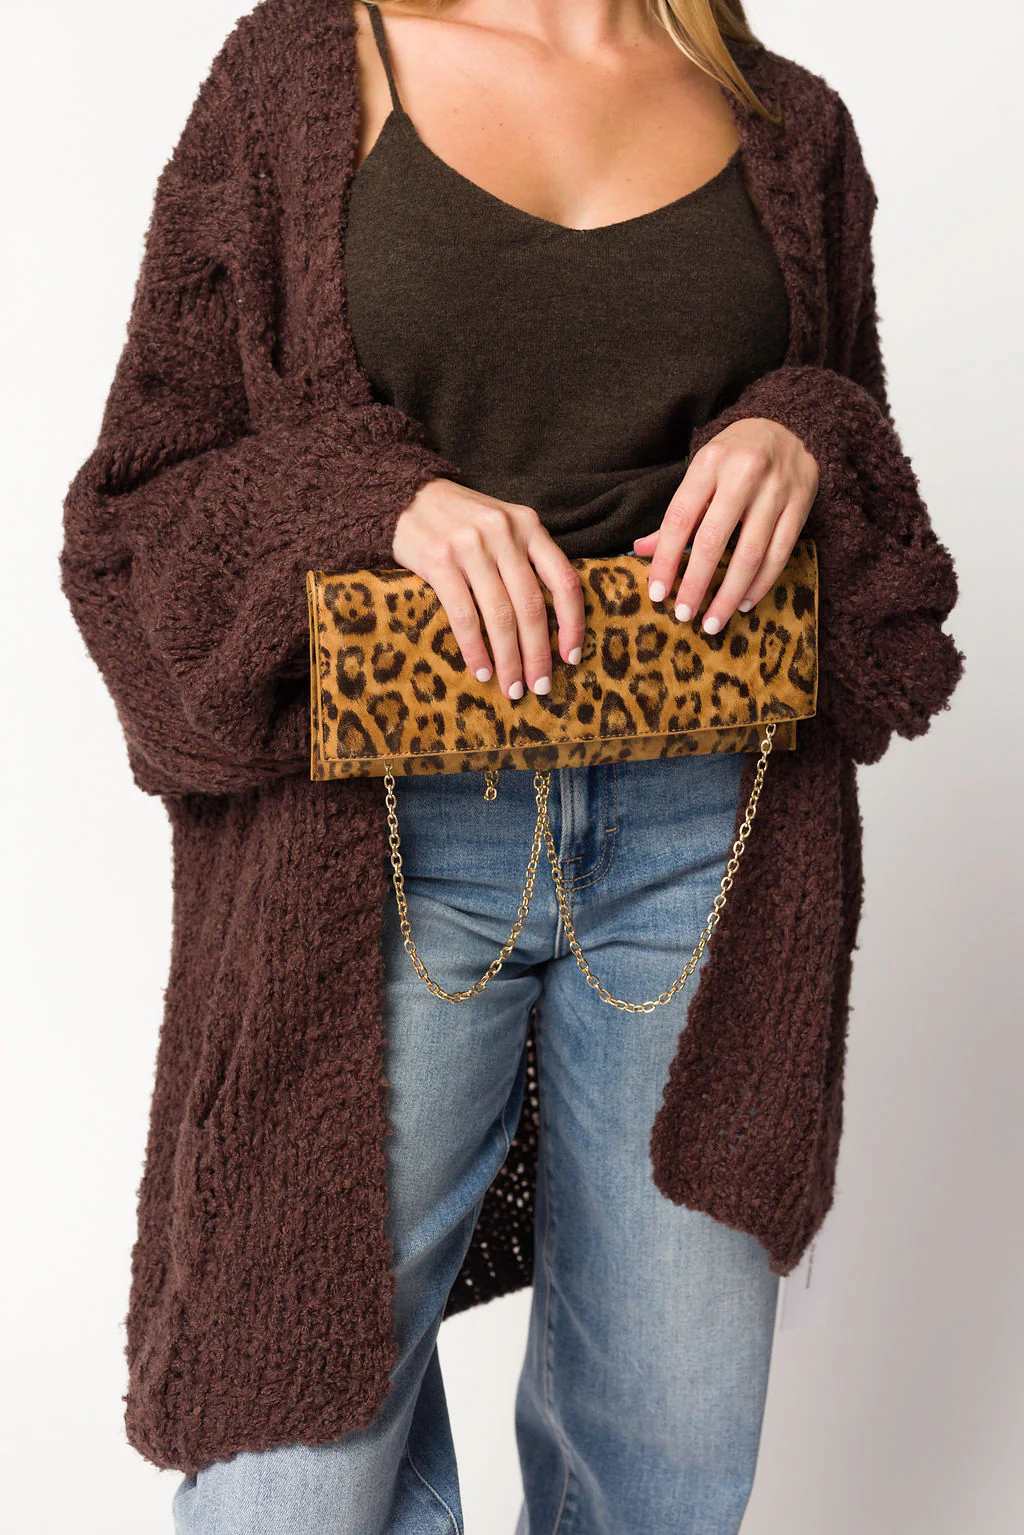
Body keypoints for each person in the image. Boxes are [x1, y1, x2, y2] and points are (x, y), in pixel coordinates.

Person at [59, 2, 964, 1531]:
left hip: (710, 838)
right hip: (388, 849)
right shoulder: (300, 75)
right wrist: (374, 499)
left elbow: (875, 513)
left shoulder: (790, 125)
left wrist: (801, 434)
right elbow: (135, 516)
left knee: (664, 1465)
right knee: (290, 1483)